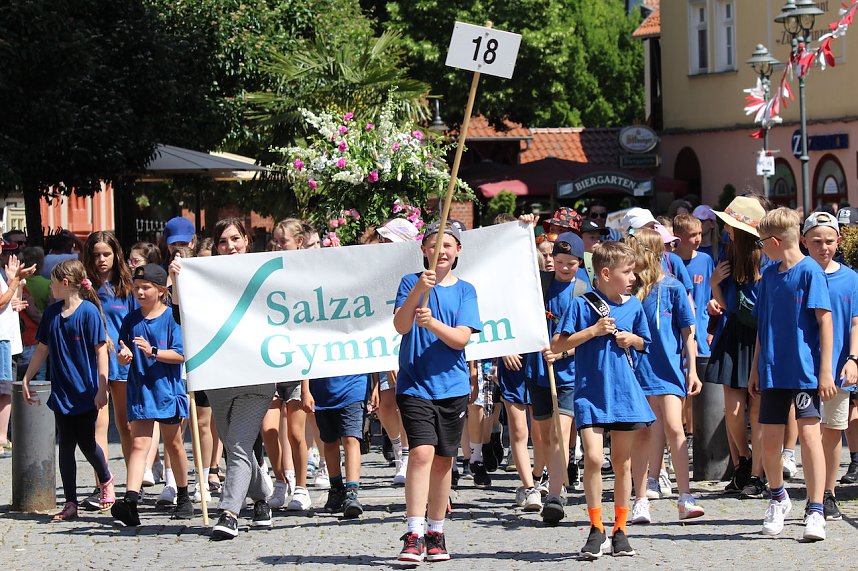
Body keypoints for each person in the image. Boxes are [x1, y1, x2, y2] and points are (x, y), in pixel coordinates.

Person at [169, 218, 275, 540]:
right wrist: (177, 282)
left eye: (235, 239)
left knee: (239, 444)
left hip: (257, 373)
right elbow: (182, 317)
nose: (230, 246)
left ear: (246, 240)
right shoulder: (206, 277)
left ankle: (229, 513)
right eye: (223, 241)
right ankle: (261, 498)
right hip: (219, 375)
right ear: (216, 247)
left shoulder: (264, 271)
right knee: (234, 445)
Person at [552, 241, 654, 559]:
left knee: (622, 463)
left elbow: (645, 343)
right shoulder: (582, 304)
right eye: (628, 272)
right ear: (606, 273)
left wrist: (633, 339)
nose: (633, 278)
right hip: (591, 394)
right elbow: (558, 344)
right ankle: (596, 528)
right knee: (594, 458)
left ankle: (620, 530)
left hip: (624, 394)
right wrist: (593, 331)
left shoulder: (634, 306)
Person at [393, 220, 482, 563]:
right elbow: (401, 325)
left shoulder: (465, 290)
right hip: (414, 384)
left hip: (452, 386)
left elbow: (461, 339)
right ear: (423, 250)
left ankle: (436, 531)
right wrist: (419, 289)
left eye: (447, 245)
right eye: (433, 245)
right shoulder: (410, 282)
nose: (440, 251)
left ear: (458, 250)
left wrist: (432, 323)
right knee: (421, 453)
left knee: (444, 460)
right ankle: (414, 532)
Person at [750, 207, 834, 541]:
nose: (761, 250)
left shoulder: (810, 271)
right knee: (769, 442)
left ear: (774, 241)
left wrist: (825, 370)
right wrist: (756, 367)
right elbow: (762, 324)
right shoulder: (769, 275)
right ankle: (778, 497)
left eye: (761, 243)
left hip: (804, 372)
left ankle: (816, 508)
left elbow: (825, 321)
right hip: (772, 371)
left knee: (810, 437)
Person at [21, 259, 114, 521]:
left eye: (53, 282)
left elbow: (101, 351)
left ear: (65, 283)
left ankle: (106, 478)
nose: (50, 287)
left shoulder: (88, 312)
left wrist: (102, 387)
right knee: (65, 445)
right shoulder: (52, 313)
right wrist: (27, 377)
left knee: (87, 443)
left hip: (85, 391)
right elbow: (42, 349)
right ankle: (70, 502)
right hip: (62, 392)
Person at [626, 228, 703, 524]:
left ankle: (685, 496)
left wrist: (692, 369)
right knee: (642, 434)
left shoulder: (673, 287)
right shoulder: (630, 291)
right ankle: (641, 499)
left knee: (674, 427)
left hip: (668, 370)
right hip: (637, 371)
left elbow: (688, 332)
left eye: (634, 253)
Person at [110, 264, 190, 526]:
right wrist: (123, 357)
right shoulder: (130, 320)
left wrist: (153, 351)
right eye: (136, 288)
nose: (140, 292)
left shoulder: (172, 318)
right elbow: (123, 352)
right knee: (139, 444)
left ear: (161, 291)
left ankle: (183, 496)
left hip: (167, 390)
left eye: (145, 288)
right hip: (141, 390)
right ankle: (130, 501)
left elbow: (180, 354)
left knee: (173, 444)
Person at [705, 196, 769, 497]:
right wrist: (714, 285)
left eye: (730, 225)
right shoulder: (727, 252)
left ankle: (757, 474)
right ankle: (744, 461)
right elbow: (726, 305)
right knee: (732, 408)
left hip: (758, 336)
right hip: (732, 334)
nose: (725, 229)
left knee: (756, 408)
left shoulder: (764, 257)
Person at [525, 233, 590, 525]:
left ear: (580, 263)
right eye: (559, 261)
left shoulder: (584, 290)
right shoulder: (541, 283)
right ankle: (540, 481)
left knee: (560, 434)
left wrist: (563, 353)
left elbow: (589, 335)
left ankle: (554, 494)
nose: (564, 268)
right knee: (542, 436)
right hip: (539, 370)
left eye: (571, 263)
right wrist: (527, 228)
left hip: (569, 373)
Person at [800, 212, 858, 521]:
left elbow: (856, 322)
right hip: (803, 366)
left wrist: (854, 358)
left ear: (839, 241)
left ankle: (828, 492)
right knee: (810, 432)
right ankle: (813, 493)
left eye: (829, 241)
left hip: (838, 367)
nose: (824, 248)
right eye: (817, 242)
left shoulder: (850, 278)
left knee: (833, 430)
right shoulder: (798, 273)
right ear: (804, 242)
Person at [80, 231, 137, 510]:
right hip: (95, 364)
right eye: (96, 255)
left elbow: (137, 322)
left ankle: (133, 487)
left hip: (123, 362)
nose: (101, 260)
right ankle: (103, 485)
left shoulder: (127, 287)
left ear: (116, 255)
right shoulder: (83, 287)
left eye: (106, 254)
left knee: (126, 425)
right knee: (97, 426)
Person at [673, 214, 715, 462]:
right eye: (692, 235)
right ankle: (681, 433)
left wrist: (711, 328)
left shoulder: (706, 260)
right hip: (680, 332)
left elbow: (711, 293)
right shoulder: (672, 261)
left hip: (702, 328)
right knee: (681, 384)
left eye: (699, 233)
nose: (698, 239)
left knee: (698, 382)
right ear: (679, 237)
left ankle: (696, 433)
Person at [310, 373, 371, 518]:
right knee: (329, 441)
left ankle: (352, 493)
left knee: (351, 438)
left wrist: (376, 385)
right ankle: (336, 489)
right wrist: (305, 389)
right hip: (322, 389)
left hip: (355, 386)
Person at [0, 253, 34, 458]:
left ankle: (3, 438)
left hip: (10, 341)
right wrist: (14, 281)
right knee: (4, 390)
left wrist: (16, 283)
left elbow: (9, 302)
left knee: (6, 389)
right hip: (3, 339)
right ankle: (1, 439)